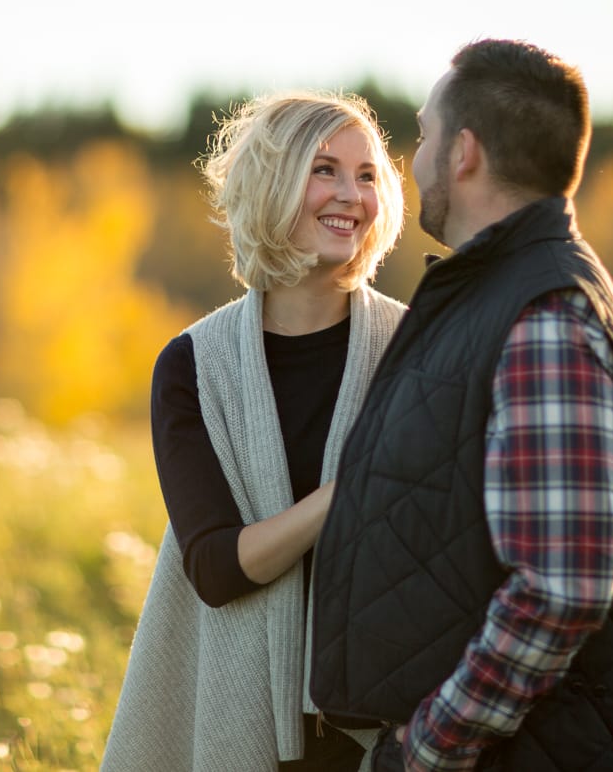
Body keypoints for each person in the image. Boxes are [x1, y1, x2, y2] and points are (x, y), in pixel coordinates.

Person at [310, 40, 613, 771]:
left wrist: (428, 745)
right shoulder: (493, 297)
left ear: (463, 151)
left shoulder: (544, 315)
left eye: (424, 135)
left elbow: (563, 584)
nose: (416, 157)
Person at [102, 92, 408, 771]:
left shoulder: (415, 347)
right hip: (242, 727)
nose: (351, 194)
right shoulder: (193, 366)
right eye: (324, 168)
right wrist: (348, 492)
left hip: (391, 734)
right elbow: (215, 567)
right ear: (272, 183)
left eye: (367, 175)